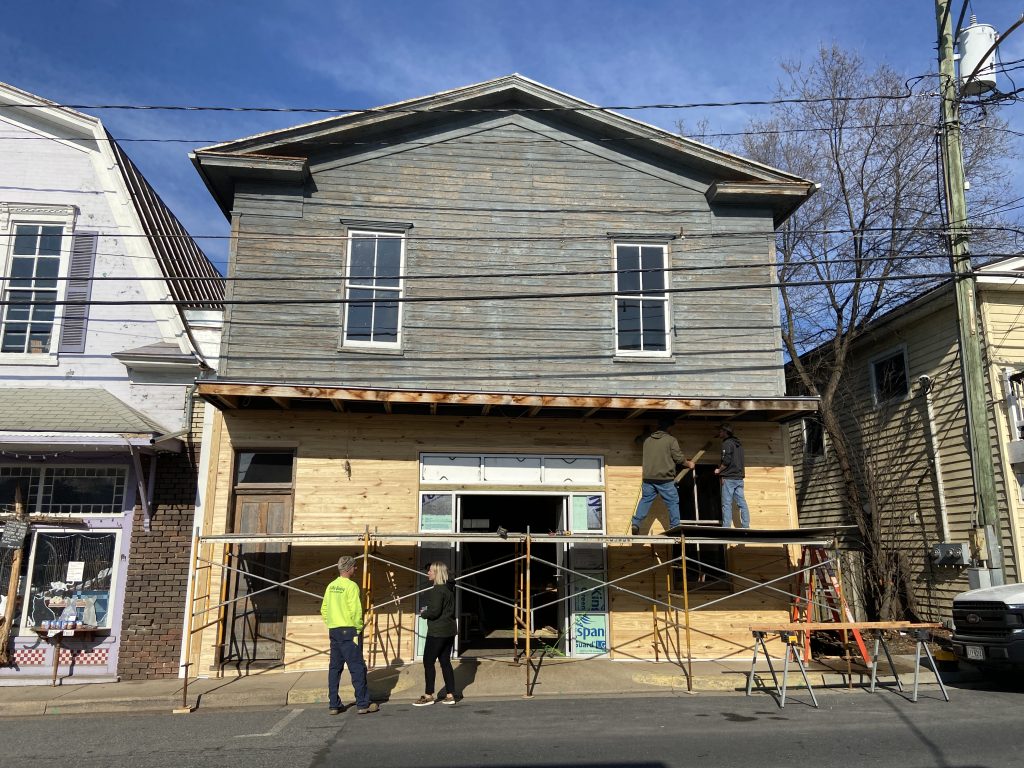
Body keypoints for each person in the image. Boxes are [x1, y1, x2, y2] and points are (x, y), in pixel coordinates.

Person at [321, 555, 379, 715]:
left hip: (334, 630)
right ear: (348, 569)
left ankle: (334, 704)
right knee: (357, 667)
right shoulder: (352, 586)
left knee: (335, 668)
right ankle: (362, 703)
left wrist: (331, 623)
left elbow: (324, 609)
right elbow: (355, 610)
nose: (356, 569)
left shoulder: (331, 586)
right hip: (349, 630)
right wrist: (358, 629)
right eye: (354, 566)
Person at [630, 418, 694, 534]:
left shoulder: (647, 440)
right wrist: (689, 463)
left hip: (648, 478)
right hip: (665, 479)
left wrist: (645, 432)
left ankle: (636, 523)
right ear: (669, 428)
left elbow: (637, 441)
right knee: (673, 502)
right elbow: (678, 458)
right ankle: (675, 526)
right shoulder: (671, 440)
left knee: (645, 500)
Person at [413, 561, 458, 706]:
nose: (428, 573)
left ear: (437, 573)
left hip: (437, 631)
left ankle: (428, 695)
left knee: (428, 661)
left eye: (431, 571)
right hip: (449, 630)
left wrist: (424, 613)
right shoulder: (449, 588)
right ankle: (450, 694)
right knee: (445, 661)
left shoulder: (437, 590)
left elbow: (435, 611)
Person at [716, 423, 750, 528]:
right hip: (739, 478)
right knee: (742, 503)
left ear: (726, 432)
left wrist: (719, 470)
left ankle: (726, 527)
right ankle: (746, 525)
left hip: (729, 478)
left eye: (721, 431)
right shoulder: (738, 444)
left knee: (726, 504)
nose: (719, 433)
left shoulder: (727, 443)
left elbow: (726, 461)